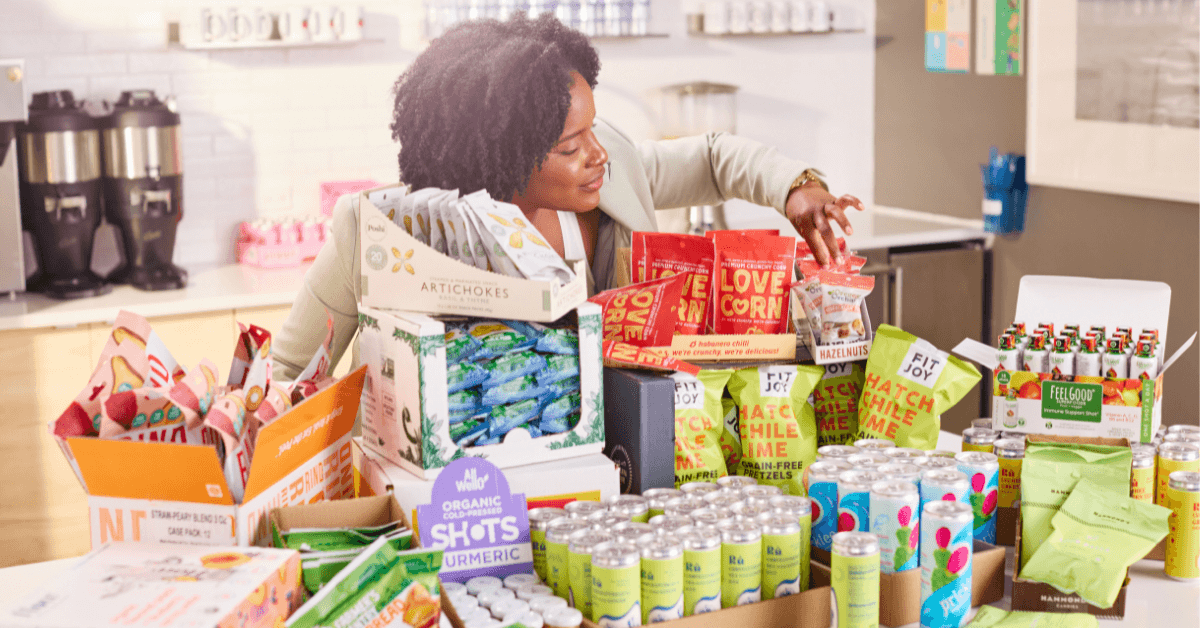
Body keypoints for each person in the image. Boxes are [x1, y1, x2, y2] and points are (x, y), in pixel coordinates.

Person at [274, 14, 863, 380]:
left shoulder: (613, 173)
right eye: (569, 145)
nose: (597, 153)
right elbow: (287, 375)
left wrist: (795, 185)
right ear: (503, 155)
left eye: (594, 129)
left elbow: (710, 156)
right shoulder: (381, 230)